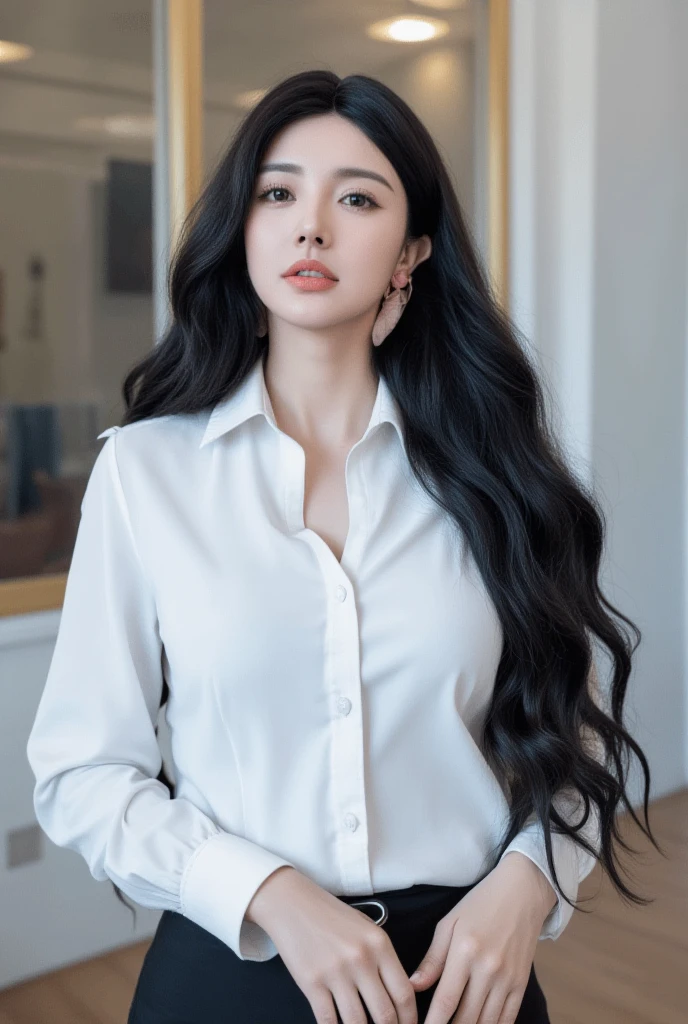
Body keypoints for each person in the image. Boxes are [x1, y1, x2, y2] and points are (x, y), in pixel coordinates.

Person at [26, 70, 662, 1024]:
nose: (310, 226)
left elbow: (572, 722)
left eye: (356, 198)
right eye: (278, 193)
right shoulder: (146, 474)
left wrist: (530, 881)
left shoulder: (492, 473)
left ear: (411, 251)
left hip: (463, 975)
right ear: (243, 228)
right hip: (235, 970)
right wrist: (270, 892)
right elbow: (82, 772)